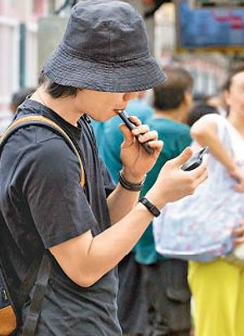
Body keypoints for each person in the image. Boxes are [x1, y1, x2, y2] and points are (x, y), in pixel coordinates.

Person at [0, 0, 208, 335]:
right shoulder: (45, 148)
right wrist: (156, 200)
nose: (134, 95)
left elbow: (99, 228)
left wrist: (133, 177)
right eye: (125, 81)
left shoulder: (74, 125)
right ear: (86, 76)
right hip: (57, 325)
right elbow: (84, 266)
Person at [187, 64, 244, 336]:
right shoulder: (218, 125)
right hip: (213, 246)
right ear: (227, 96)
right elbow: (199, 130)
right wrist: (233, 166)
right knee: (214, 328)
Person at [134, 65, 195, 336]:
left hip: (141, 234)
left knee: (153, 317)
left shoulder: (142, 129)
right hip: (173, 240)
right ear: (186, 98)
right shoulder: (182, 135)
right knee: (174, 323)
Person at [91, 91, 154, 336]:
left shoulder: (91, 119)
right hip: (129, 219)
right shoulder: (139, 113)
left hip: (109, 207)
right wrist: (156, 198)